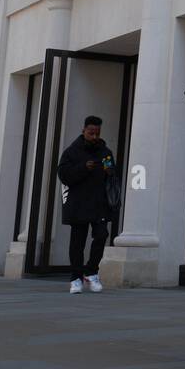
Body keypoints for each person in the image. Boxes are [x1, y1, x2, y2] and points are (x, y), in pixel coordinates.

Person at [57, 115, 116, 294]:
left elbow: (112, 174)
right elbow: (63, 175)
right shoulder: (71, 152)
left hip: (99, 203)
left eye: (97, 133)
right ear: (84, 131)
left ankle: (91, 271)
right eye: (91, 133)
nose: (95, 137)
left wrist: (109, 170)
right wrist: (84, 168)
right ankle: (76, 278)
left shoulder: (105, 152)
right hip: (78, 204)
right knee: (78, 242)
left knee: (101, 235)